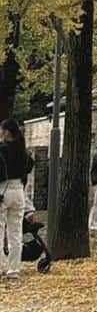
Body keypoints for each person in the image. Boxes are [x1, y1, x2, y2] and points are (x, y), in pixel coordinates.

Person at [0, 118, 29, 280]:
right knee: (15, 232)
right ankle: (14, 268)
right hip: (18, 190)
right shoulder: (22, 149)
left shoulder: (2, 148)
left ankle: (1, 265)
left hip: (3, 188)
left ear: (6, 131)